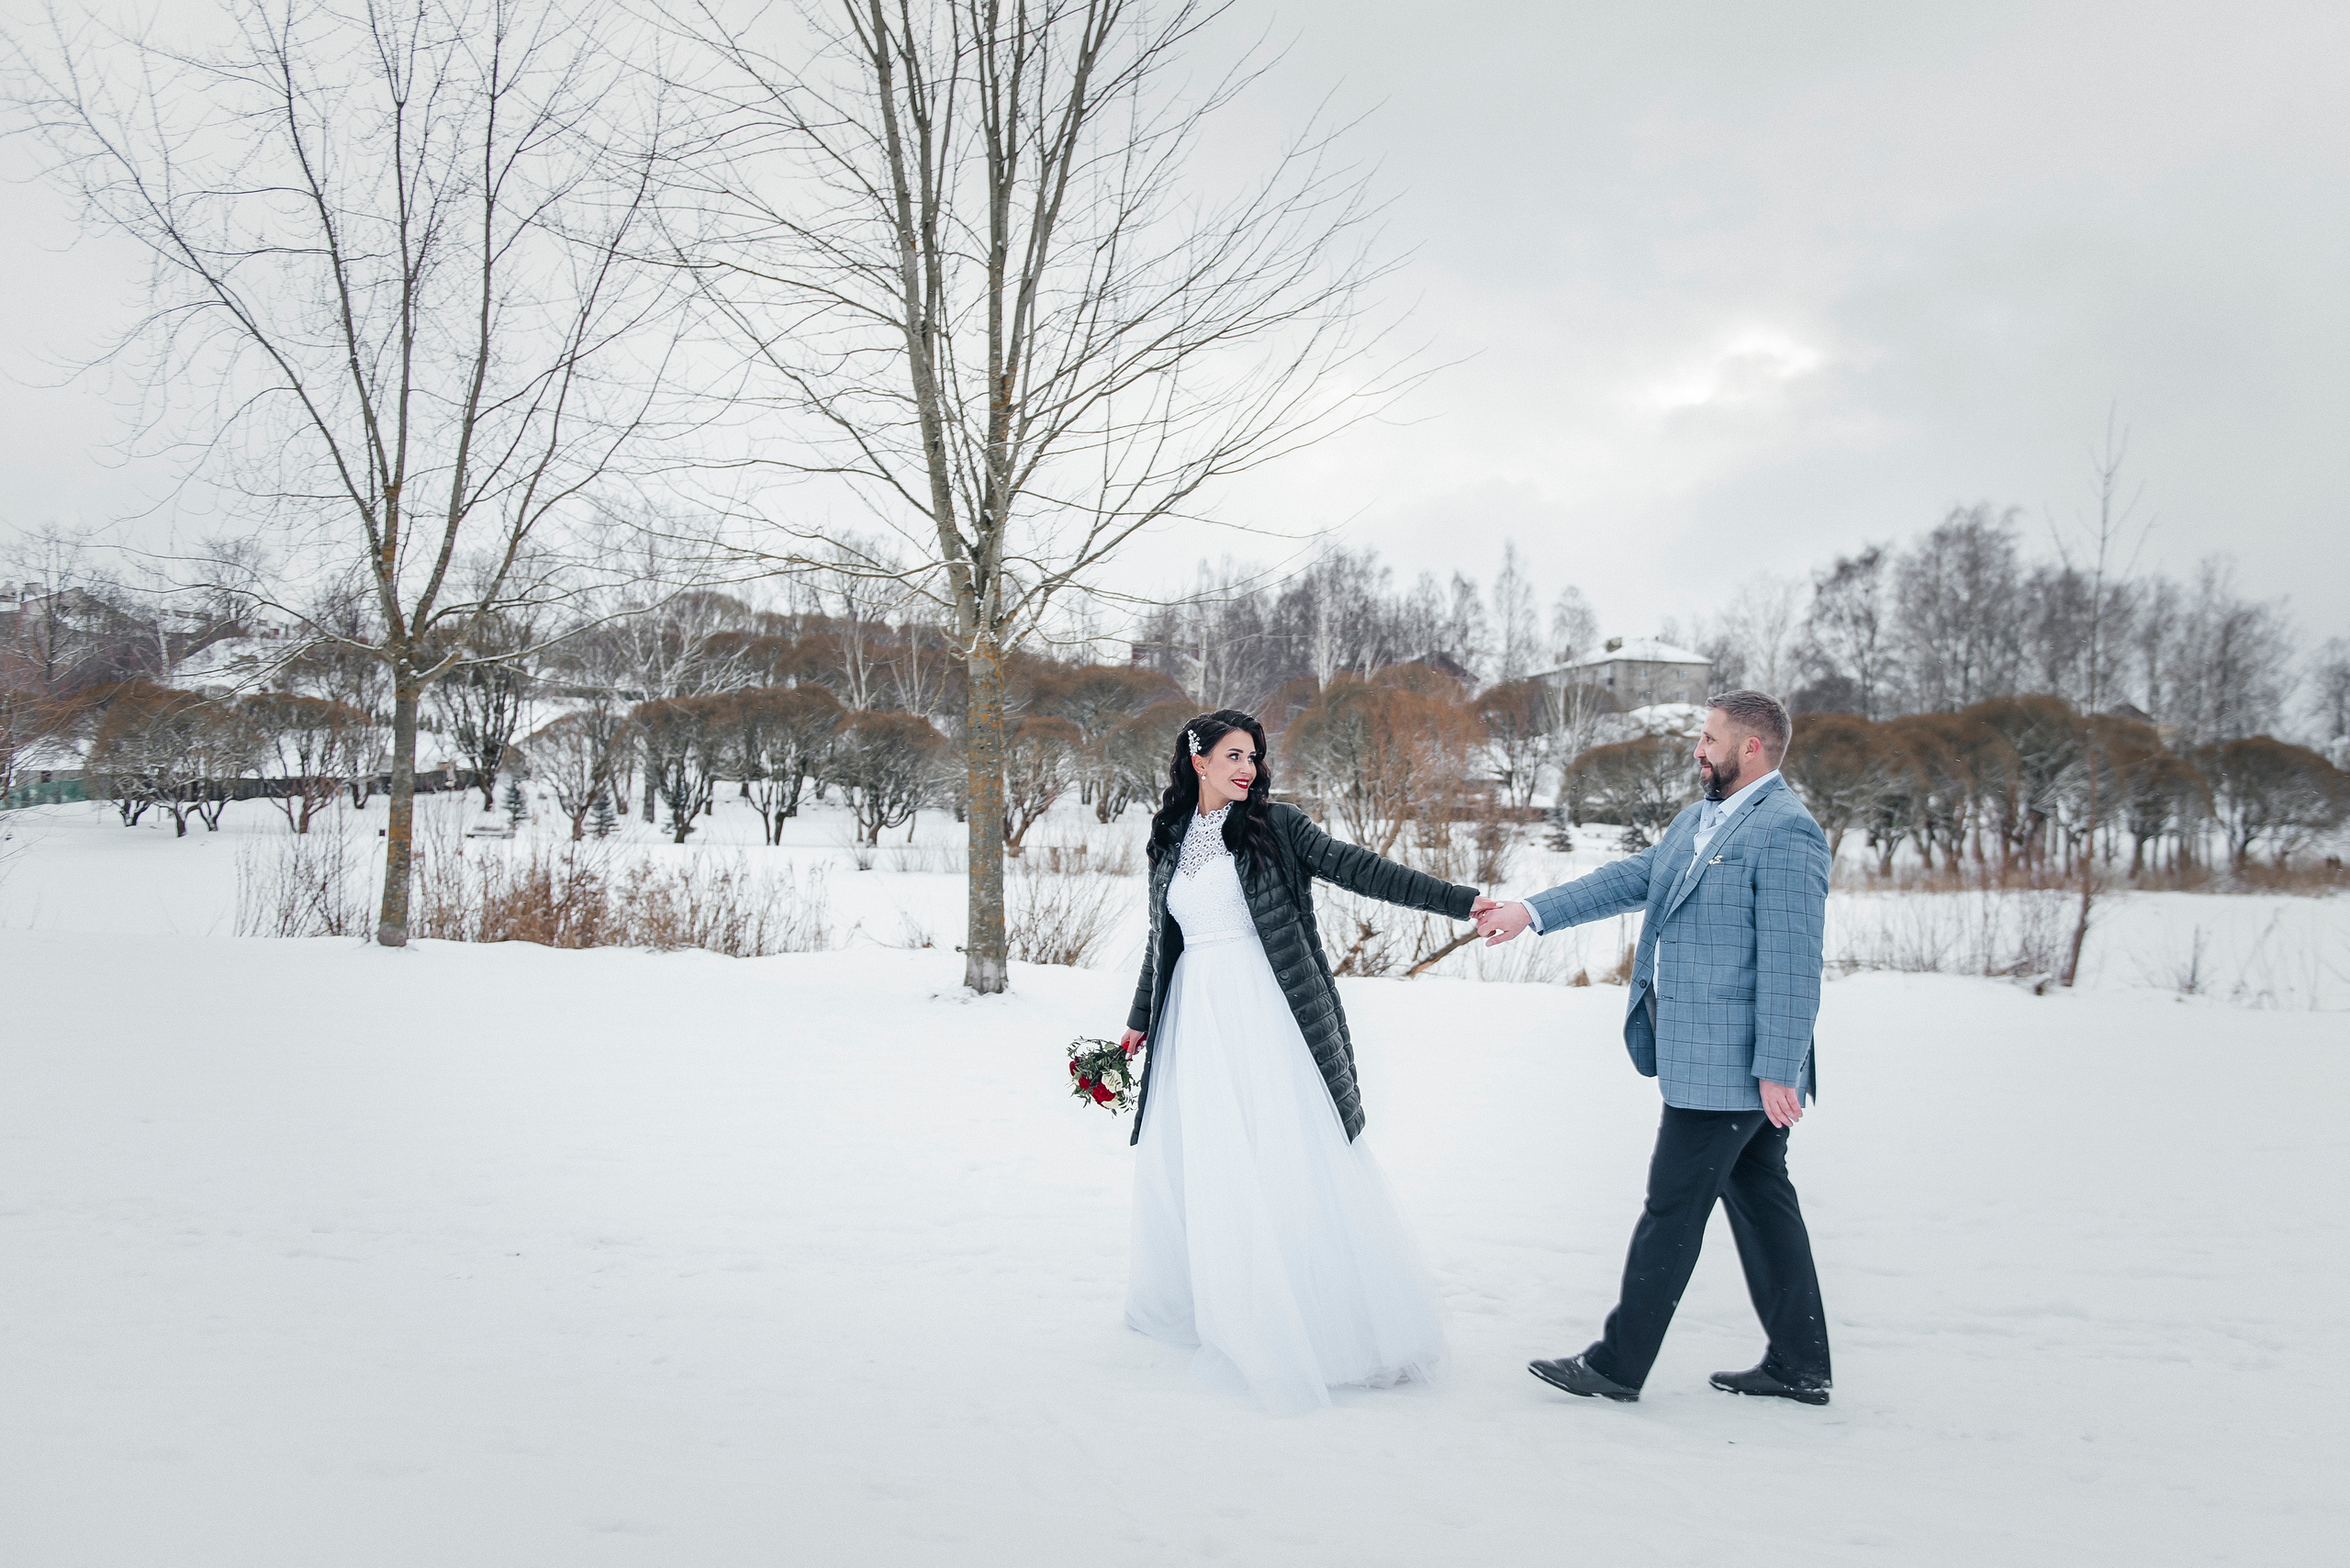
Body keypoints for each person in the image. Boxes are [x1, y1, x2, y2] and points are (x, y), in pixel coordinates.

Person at [1474, 689, 1835, 1406]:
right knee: (1763, 1204)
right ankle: (1800, 1363)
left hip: (1732, 1068)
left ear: (1751, 748)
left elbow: (1795, 962)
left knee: (1672, 1209)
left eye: (1709, 738)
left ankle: (1616, 1365)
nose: (1698, 749)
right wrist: (1531, 913)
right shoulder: (1702, 819)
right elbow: (1631, 880)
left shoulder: (1787, 832)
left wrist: (1776, 1069)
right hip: (1703, 1057)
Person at [1119, 709, 1482, 1413]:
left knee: (1285, 1156)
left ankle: (1317, 1322)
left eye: (1253, 756)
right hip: (1198, 1022)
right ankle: (1223, 1303)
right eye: (1232, 755)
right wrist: (1139, 1021)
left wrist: (1462, 902)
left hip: (1267, 1014)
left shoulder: (1277, 828)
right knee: (1215, 1162)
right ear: (1197, 761)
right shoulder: (1167, 840)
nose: (1247, 768)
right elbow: (1161, 944)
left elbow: (1362, 870)